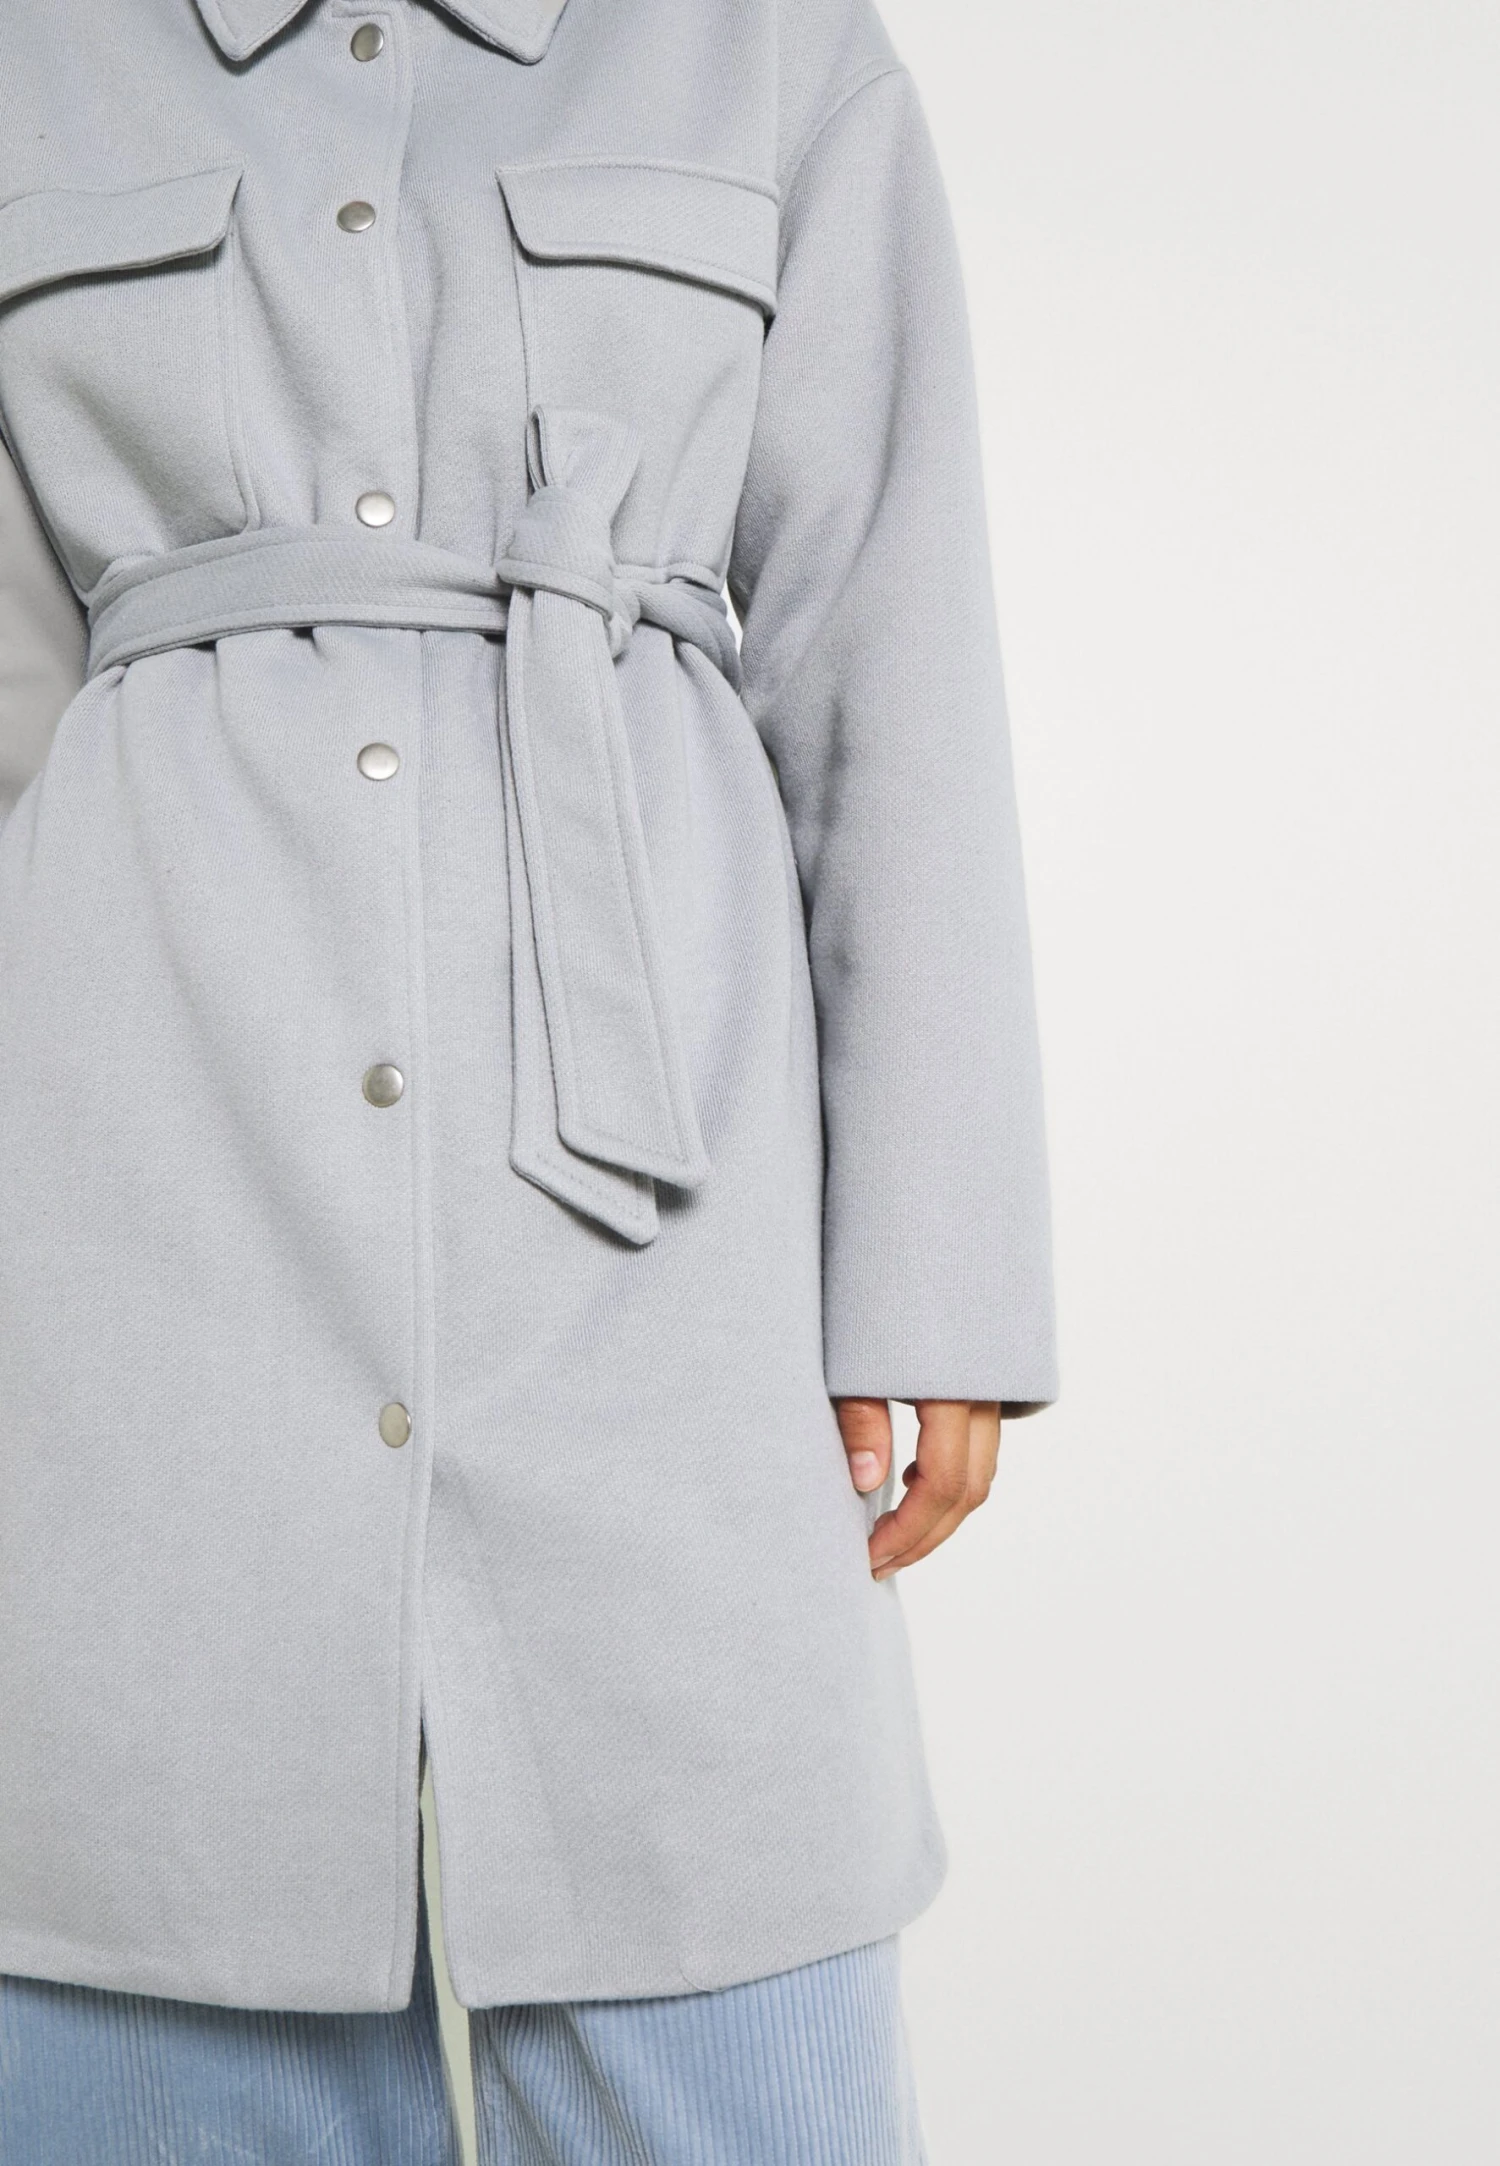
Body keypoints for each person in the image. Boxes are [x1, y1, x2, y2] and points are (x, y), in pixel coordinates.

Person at [0, 0, 1058, 2156]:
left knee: (729, 1912)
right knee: (140, 1917)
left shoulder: (768, 51)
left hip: (666, 1214)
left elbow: (891, 641)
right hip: (141, 1192)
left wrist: (940, 1275)